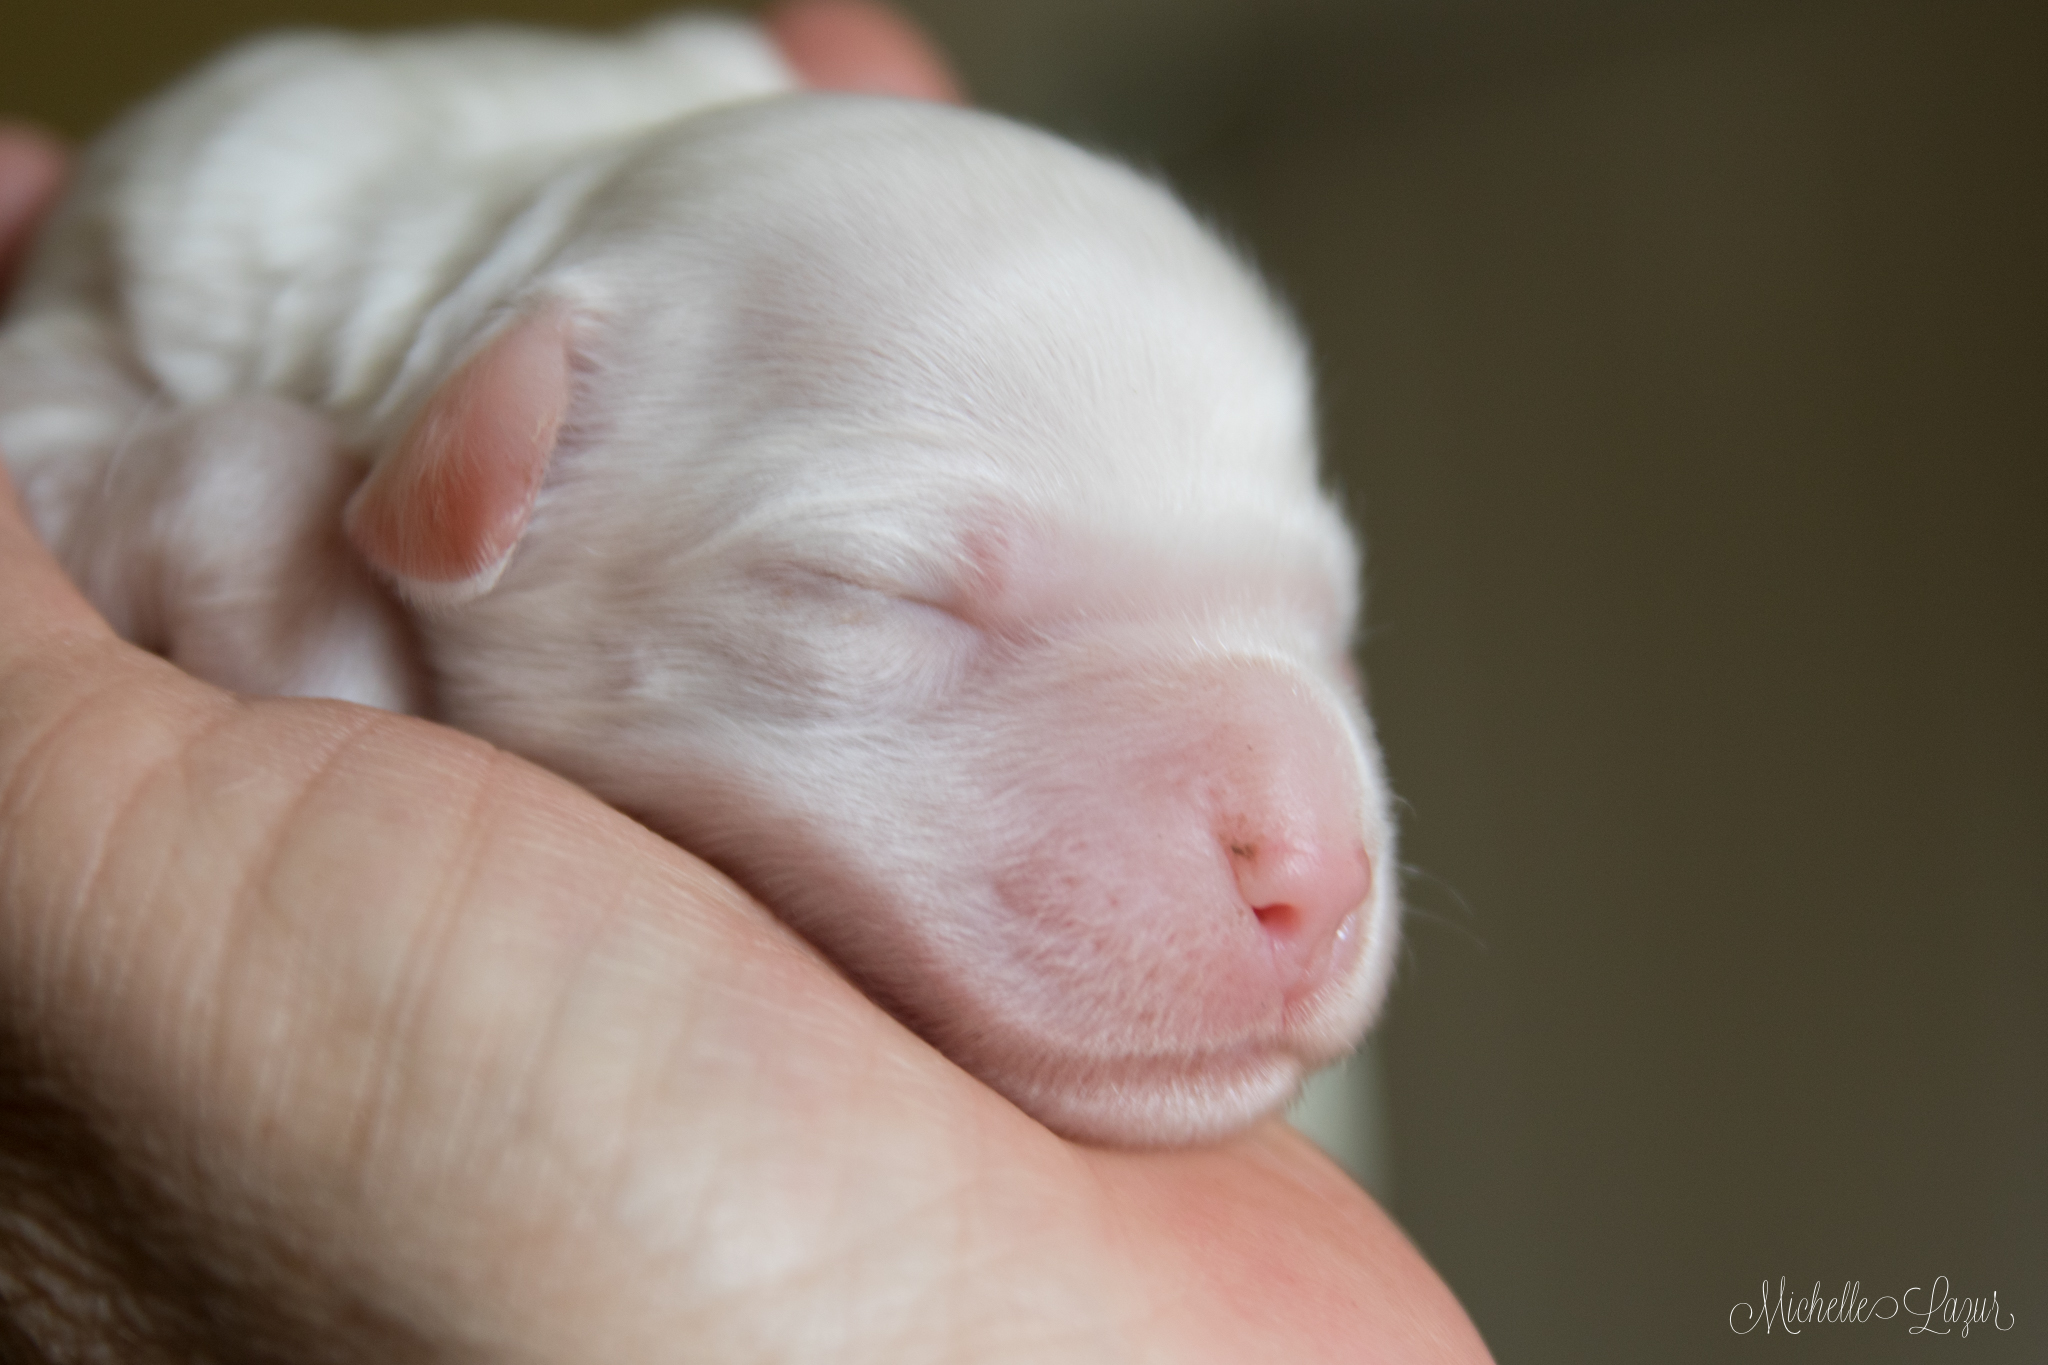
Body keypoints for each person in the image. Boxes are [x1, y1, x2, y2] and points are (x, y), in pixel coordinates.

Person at [0, 4, 1491, 1359]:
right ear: (499, 456)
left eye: (1317, 634)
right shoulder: (210, 228)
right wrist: (205, 510)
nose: (1308, 850)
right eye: (895, 591)